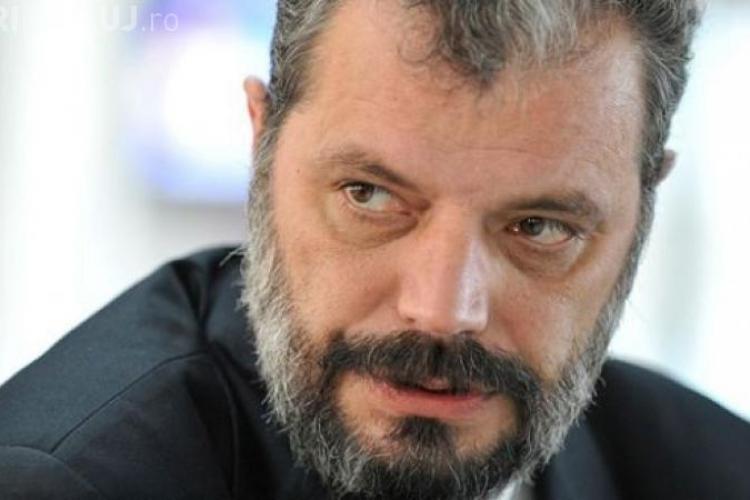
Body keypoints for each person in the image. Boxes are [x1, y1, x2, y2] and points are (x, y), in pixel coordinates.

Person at [1, 0, 749, 499]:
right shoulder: (72, 481)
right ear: (261, 149)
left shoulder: (713, 470)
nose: (442, 311)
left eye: (539, 227)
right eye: (370, 195)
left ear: (644, 210)